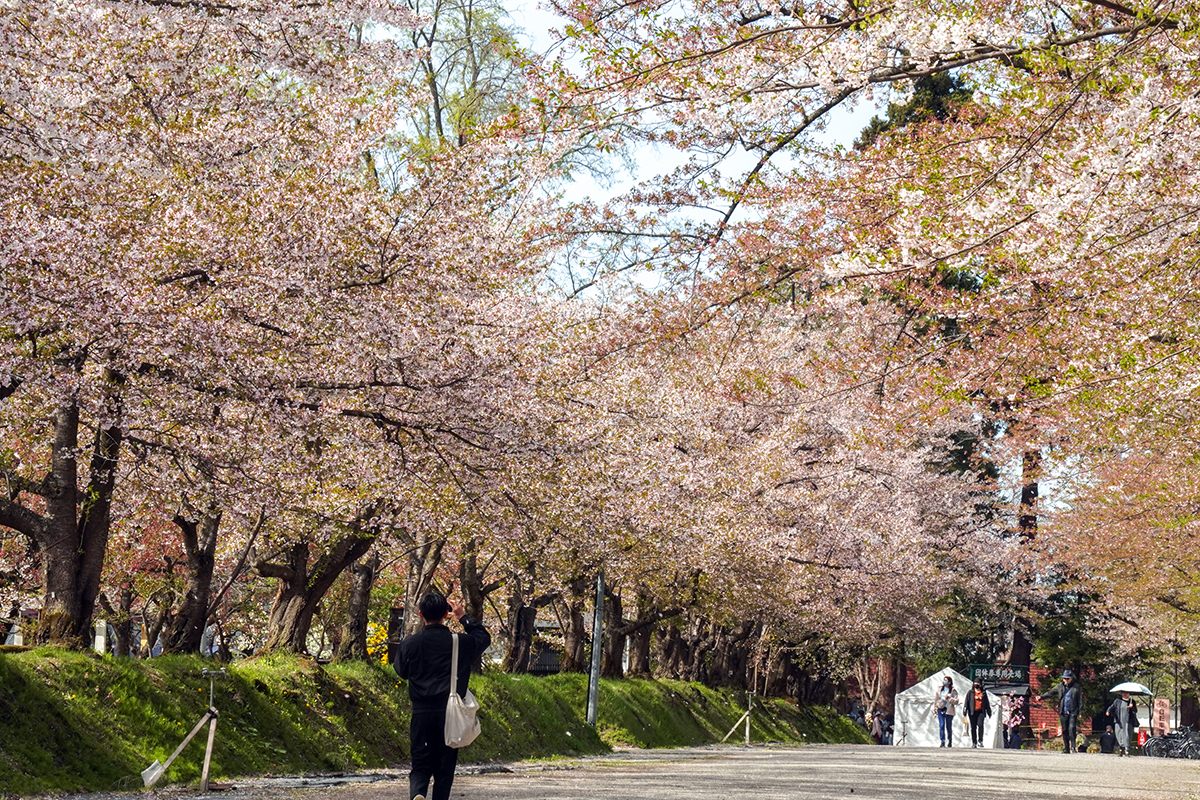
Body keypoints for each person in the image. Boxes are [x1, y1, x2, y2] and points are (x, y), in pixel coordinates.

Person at [395, 592, 491, 800]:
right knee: (444, 767)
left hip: (421, 711)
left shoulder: (410, 643)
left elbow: (401, 671)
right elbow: (483, 638)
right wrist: (463, 617)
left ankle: (418, 793)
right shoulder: (460, 642)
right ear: (446, 615)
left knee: (420, 762)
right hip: (450, 712)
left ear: (421, 614)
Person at [1039, 669, 1083, 753]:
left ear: (1071, 678)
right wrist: (1041, 697)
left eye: (1068, 678)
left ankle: (1073, 747)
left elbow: (1080, 700)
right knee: (1065, 729)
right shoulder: (1060, 686)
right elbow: (1051, 693)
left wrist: (1080, 712)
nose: (1066, 680)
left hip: (1073, 711)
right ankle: (1066, 748)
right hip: (1063, 711)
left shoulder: (1076, 687)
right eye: (1064, 678)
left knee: (1072, 728)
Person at [1107, 691, 1139, 756]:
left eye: (1127, 693)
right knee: (1119, 735)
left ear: (1129, 694)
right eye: (1123, 693)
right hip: (1119, 721)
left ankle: (1127, 750)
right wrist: (1108, 711)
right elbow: (1112, 707)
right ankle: (1120, 748)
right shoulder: (1117, 701)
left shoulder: (1131, 701)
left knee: (1127, 735)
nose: (1125, 694)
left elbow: (1135, 711)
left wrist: (1132, 707)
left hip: (1128, 722)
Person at [963, 680, 992, 748]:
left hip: (981, 712)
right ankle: (974, 742)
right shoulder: (970, 693)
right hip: (972, 712)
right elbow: (966, 702)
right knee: (973, 727)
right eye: (975, 683)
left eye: (978, 683)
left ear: (981, 684)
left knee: (980, 725)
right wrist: (965, 711)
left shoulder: (983, 693)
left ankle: (980, 740)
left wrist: (989, 712)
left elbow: (987, 703)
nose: (976, 685)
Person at [934, 675, 959, 747]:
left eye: (946, 680)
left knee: (948, 726)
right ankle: (942, 741)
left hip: (949, 709)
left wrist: (949, 698)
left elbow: (956, 701)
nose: (944, 681)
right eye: (943, 680)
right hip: (940, 708)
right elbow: (935, 700)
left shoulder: (953, 691)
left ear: (949, 682)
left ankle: (950, 740)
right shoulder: (939, 689)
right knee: (941, 725)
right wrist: (935, 708)